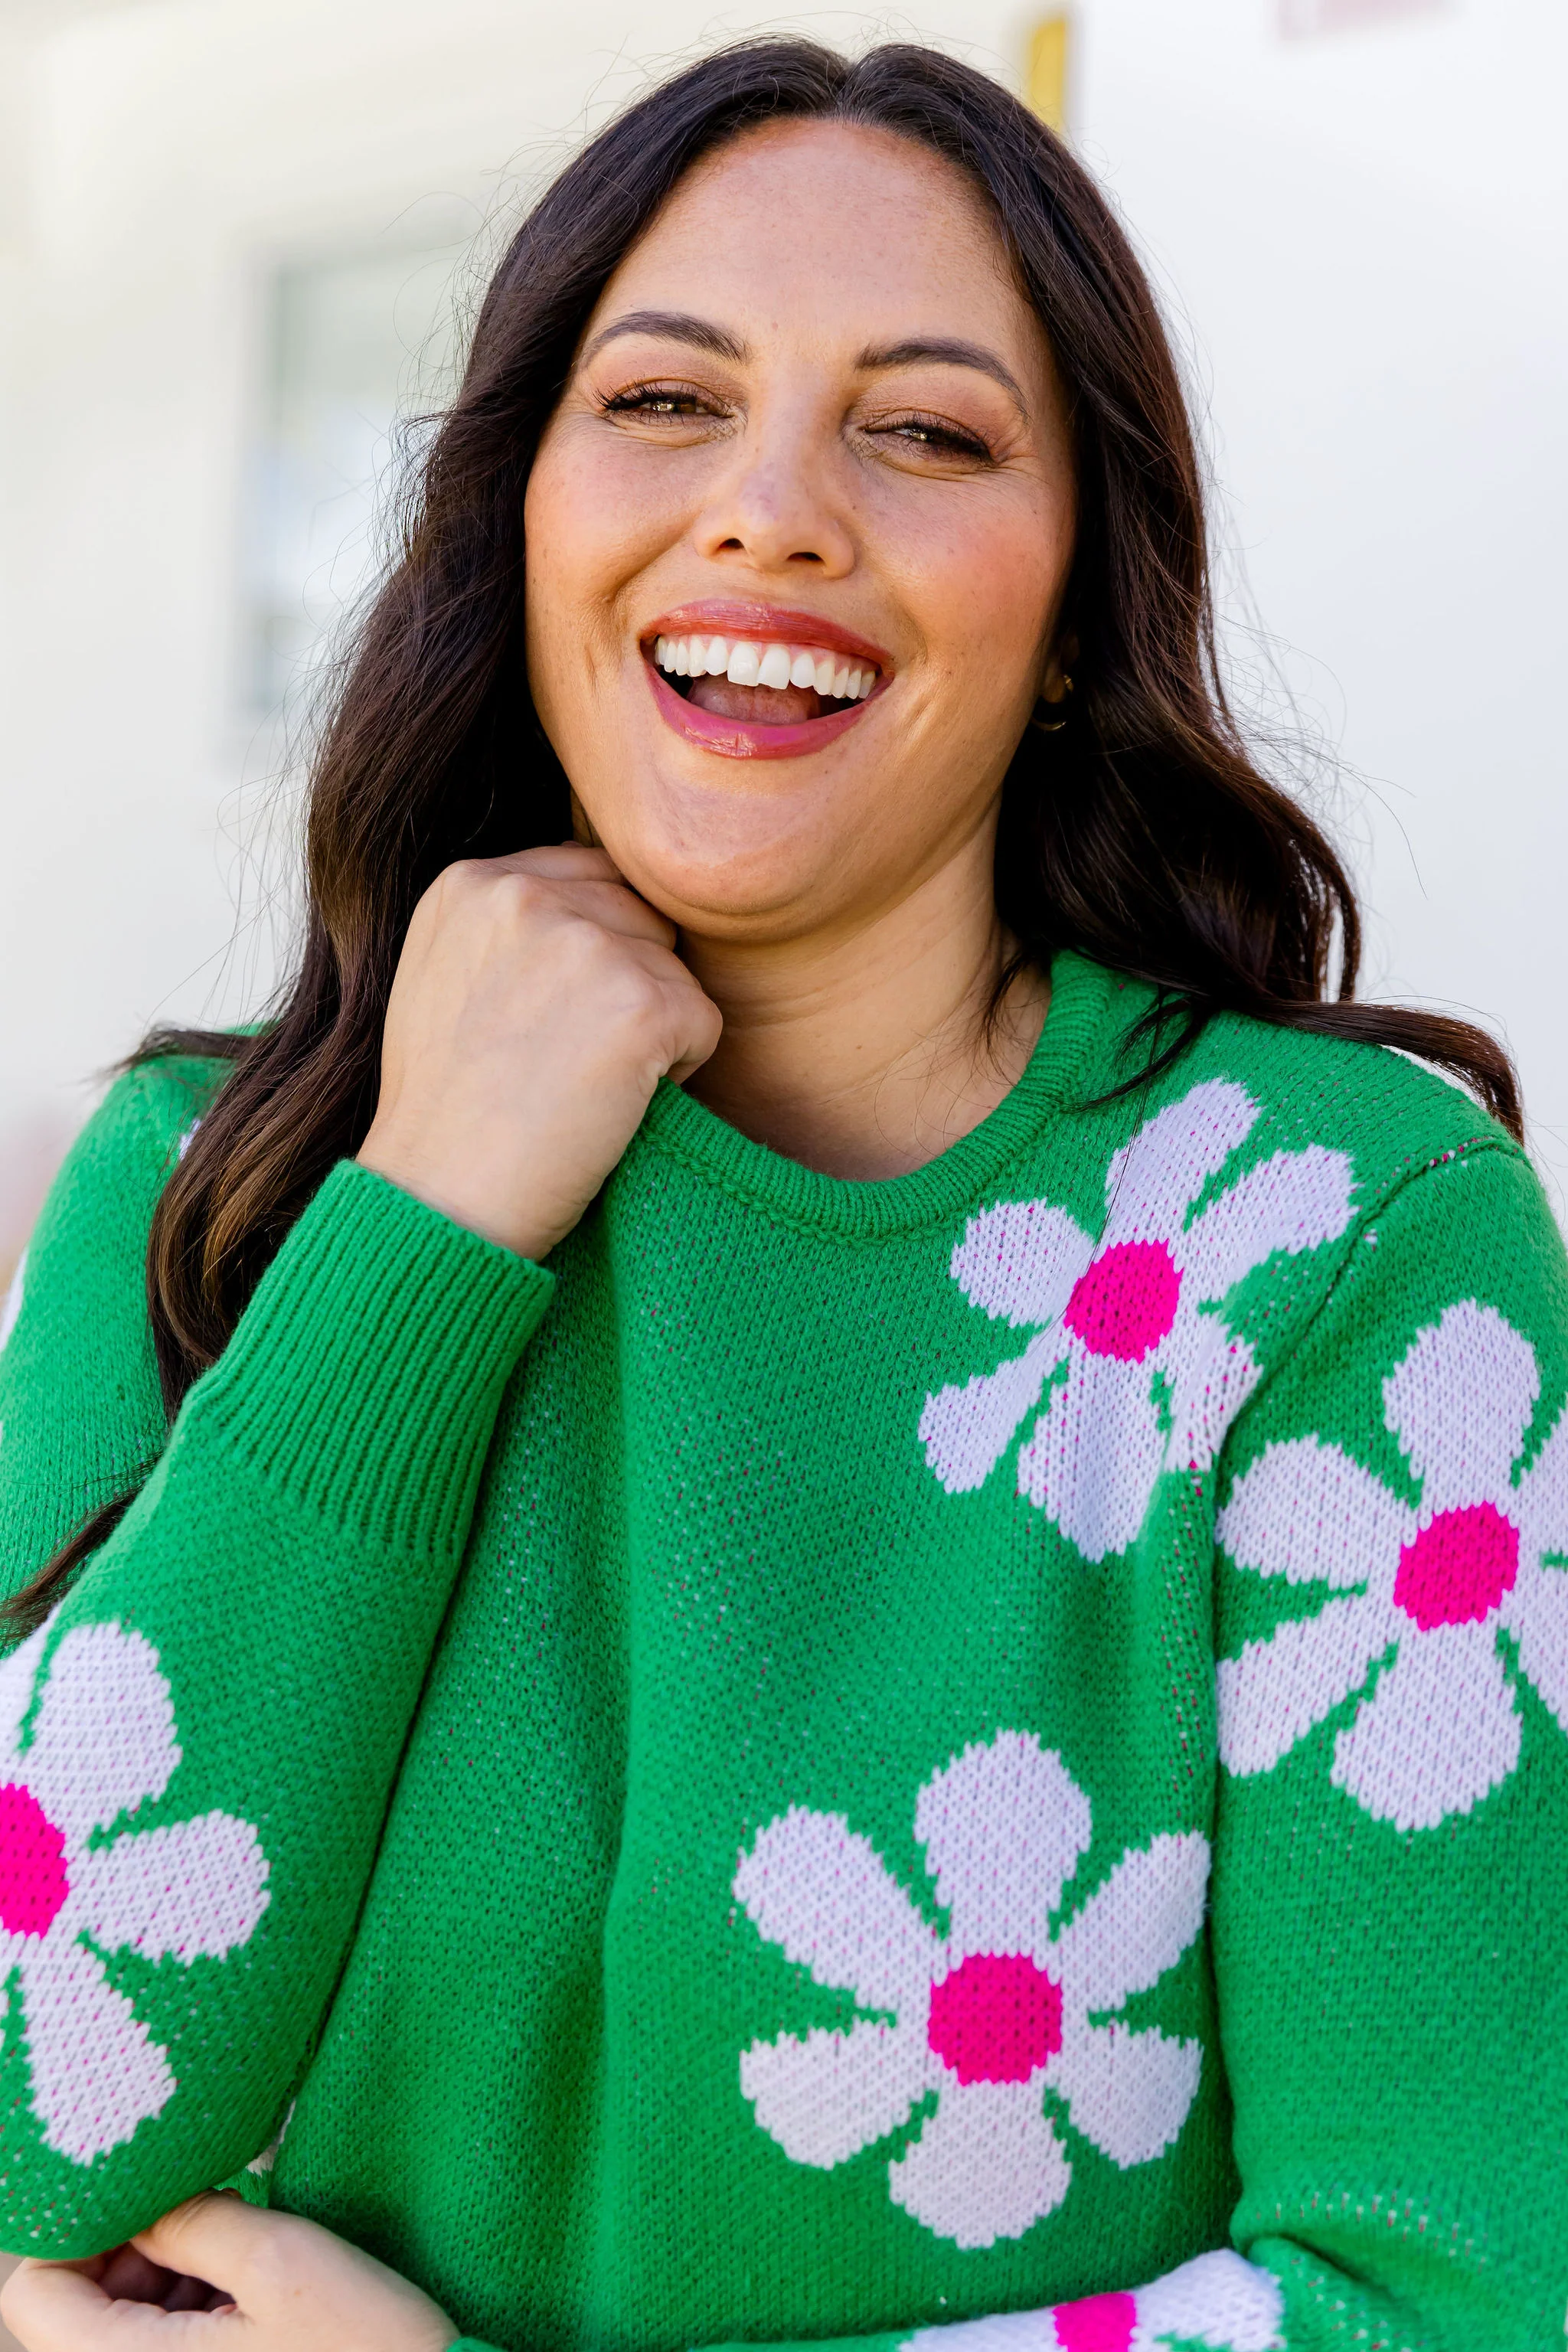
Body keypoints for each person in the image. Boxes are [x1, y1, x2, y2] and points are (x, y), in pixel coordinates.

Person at [0, 36, 1563, 2352]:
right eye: (661, 403)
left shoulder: (1341, 1246)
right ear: (516, 520)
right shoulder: (210, 1192)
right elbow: (39, 2117)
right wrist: (420, 1227)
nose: (772, 512)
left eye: (924, 432)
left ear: (1073, 618)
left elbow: (1452, 2303)